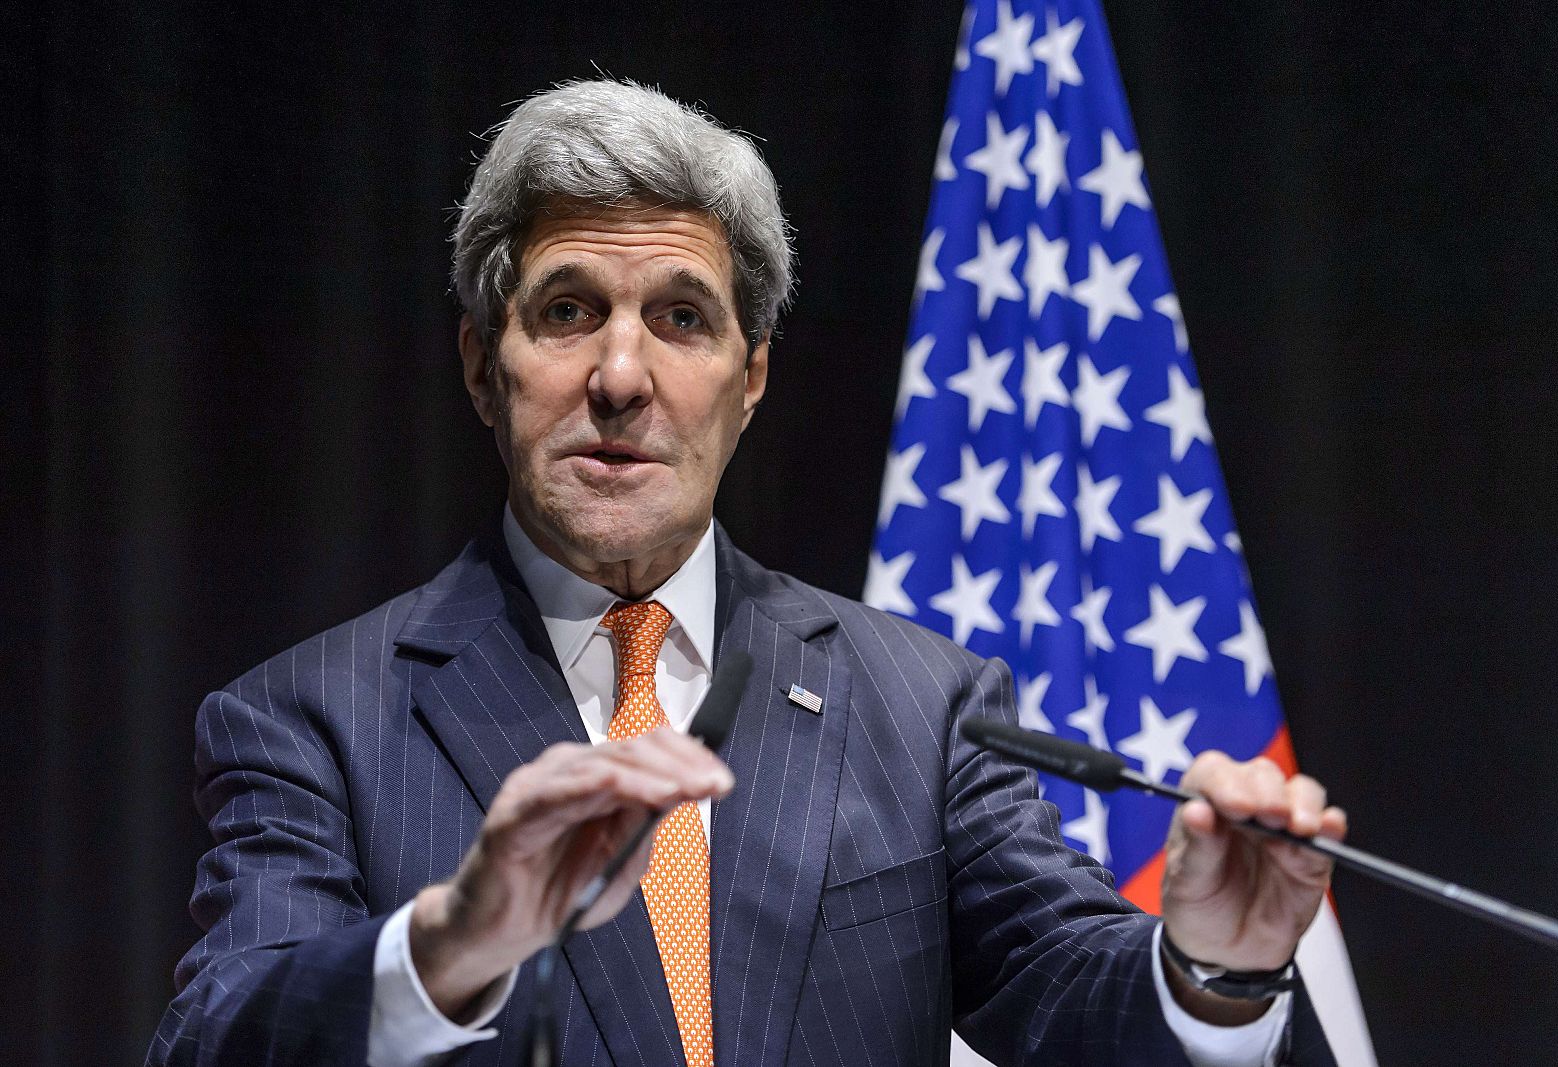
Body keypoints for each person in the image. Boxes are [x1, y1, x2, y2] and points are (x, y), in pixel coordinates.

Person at [149, 80, 1347, 1067]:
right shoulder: (310, 718)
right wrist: (452, 942)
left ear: (750, 375)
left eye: (681, 318)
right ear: (481, 364)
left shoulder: (919, 703)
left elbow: (1067, 991)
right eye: (567, 310)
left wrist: (1213, 970)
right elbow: (213, 1036)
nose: (622, 376)